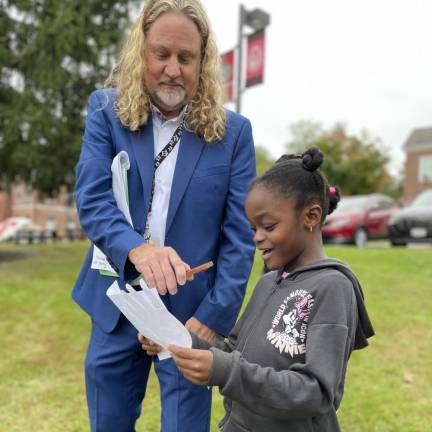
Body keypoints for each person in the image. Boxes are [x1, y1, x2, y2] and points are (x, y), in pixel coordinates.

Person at [72, 0, 256, 431]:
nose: (173, 68)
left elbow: (239, 239)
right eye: (162, 54)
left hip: (191, 318)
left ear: (202, 62)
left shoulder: (233, 135)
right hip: (116, 303)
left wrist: (212, 320)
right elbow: (93, 200)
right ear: (143, 52)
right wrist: (138, 250)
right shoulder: (105, 111)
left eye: (186, 58)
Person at [141, 147, 375, 432]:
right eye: (253, 228)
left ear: (311, 216)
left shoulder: (332, 287)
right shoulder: (269, 281)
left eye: (268, 226)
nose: (257, 237)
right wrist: (177, 340)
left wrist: (225, 372)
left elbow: (317, 391)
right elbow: (233, 350)